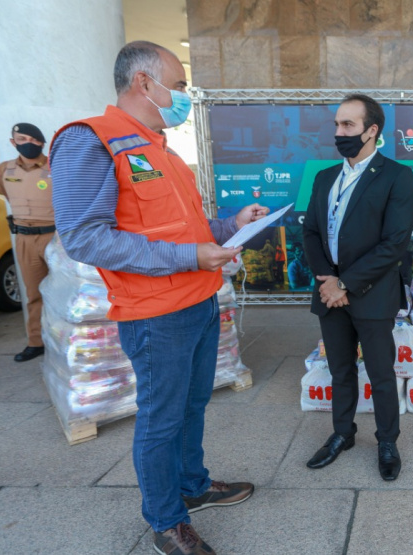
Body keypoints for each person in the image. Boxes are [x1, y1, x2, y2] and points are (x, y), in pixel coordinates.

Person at [51, 41, 267, 555]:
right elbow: (85, 236)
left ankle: (192, 487)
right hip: (155, 316)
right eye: (180, 83)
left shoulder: (162, 150)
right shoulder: (91, 140)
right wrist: (193, 256)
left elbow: (187, 231)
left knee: (192, 406)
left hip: (199, 302)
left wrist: (230, 227)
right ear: (145, 82)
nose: (185, 96)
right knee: (161, 418)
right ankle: (166, 521)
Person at [302, 93, 413, 481]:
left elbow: (394, 243)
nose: (339, 132)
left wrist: (346, 284)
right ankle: (342, 434)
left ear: (372, 131)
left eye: (348, 125)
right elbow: (312, 232)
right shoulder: (324, 178)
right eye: (337, 124)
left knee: (381, 373)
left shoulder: (396, 176)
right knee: (340, 370)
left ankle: (387, 441)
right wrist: (328, 281)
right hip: (329, 292)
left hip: (371, 294)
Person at [0, 123, 54, 362]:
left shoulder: (56, 165)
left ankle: (68, 338)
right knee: (33, 293)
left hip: (56, 238)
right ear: (13, 142)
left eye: (33, 139)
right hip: (25, 238)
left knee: (66, 291)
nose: (27, 142)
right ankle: (36, 342)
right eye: (21, 138)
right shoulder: (5, 170)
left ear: (41, 142)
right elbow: (5, 195)